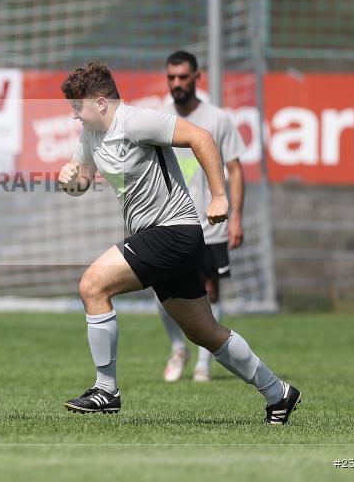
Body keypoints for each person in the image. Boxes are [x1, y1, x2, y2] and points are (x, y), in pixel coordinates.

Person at [56, 61, 300, 424]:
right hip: (157, 238)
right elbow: (82, 183)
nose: (74, 115)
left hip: (174, 232)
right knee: (205, 332)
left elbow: (200, 136)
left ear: (102, 102)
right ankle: (278, 393)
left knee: (93, 285)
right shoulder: (91, 135)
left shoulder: (136, 121)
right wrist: (68, 180)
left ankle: (106, 389)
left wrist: (219, 197)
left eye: (78, 107)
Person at [158, 50, 246, 383]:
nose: (177, 83)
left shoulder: (218, 119)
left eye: (183, 77)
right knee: (163, 292)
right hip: (168, 224)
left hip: (212, 225)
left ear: (197, 77)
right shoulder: (158, 118)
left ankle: (204, 365)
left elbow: (235, 170)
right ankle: (178, 347)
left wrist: (235, 217)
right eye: (171, 77)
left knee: (210, 293)